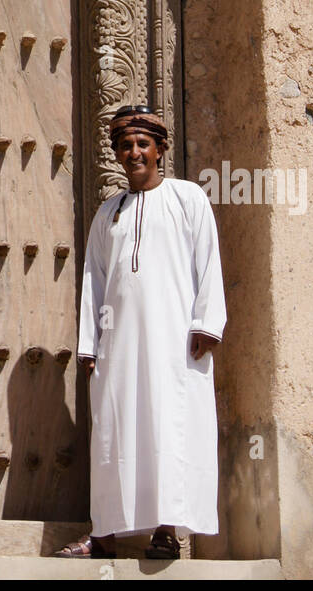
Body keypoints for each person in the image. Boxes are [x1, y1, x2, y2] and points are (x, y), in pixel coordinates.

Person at [53, 105, 226, 559]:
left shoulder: (188, 198)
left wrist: (207, 323)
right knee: (114, 430)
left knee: (169, 427)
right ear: (117, 153)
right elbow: (94, 278)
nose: (134, 152)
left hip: (175, 342)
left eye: (142, 144)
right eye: (125, 145)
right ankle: (105, 535)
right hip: (119, 345)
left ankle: (167, 533)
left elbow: (209, 263)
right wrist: (90, 342)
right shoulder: (109, 213)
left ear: (160, 149)